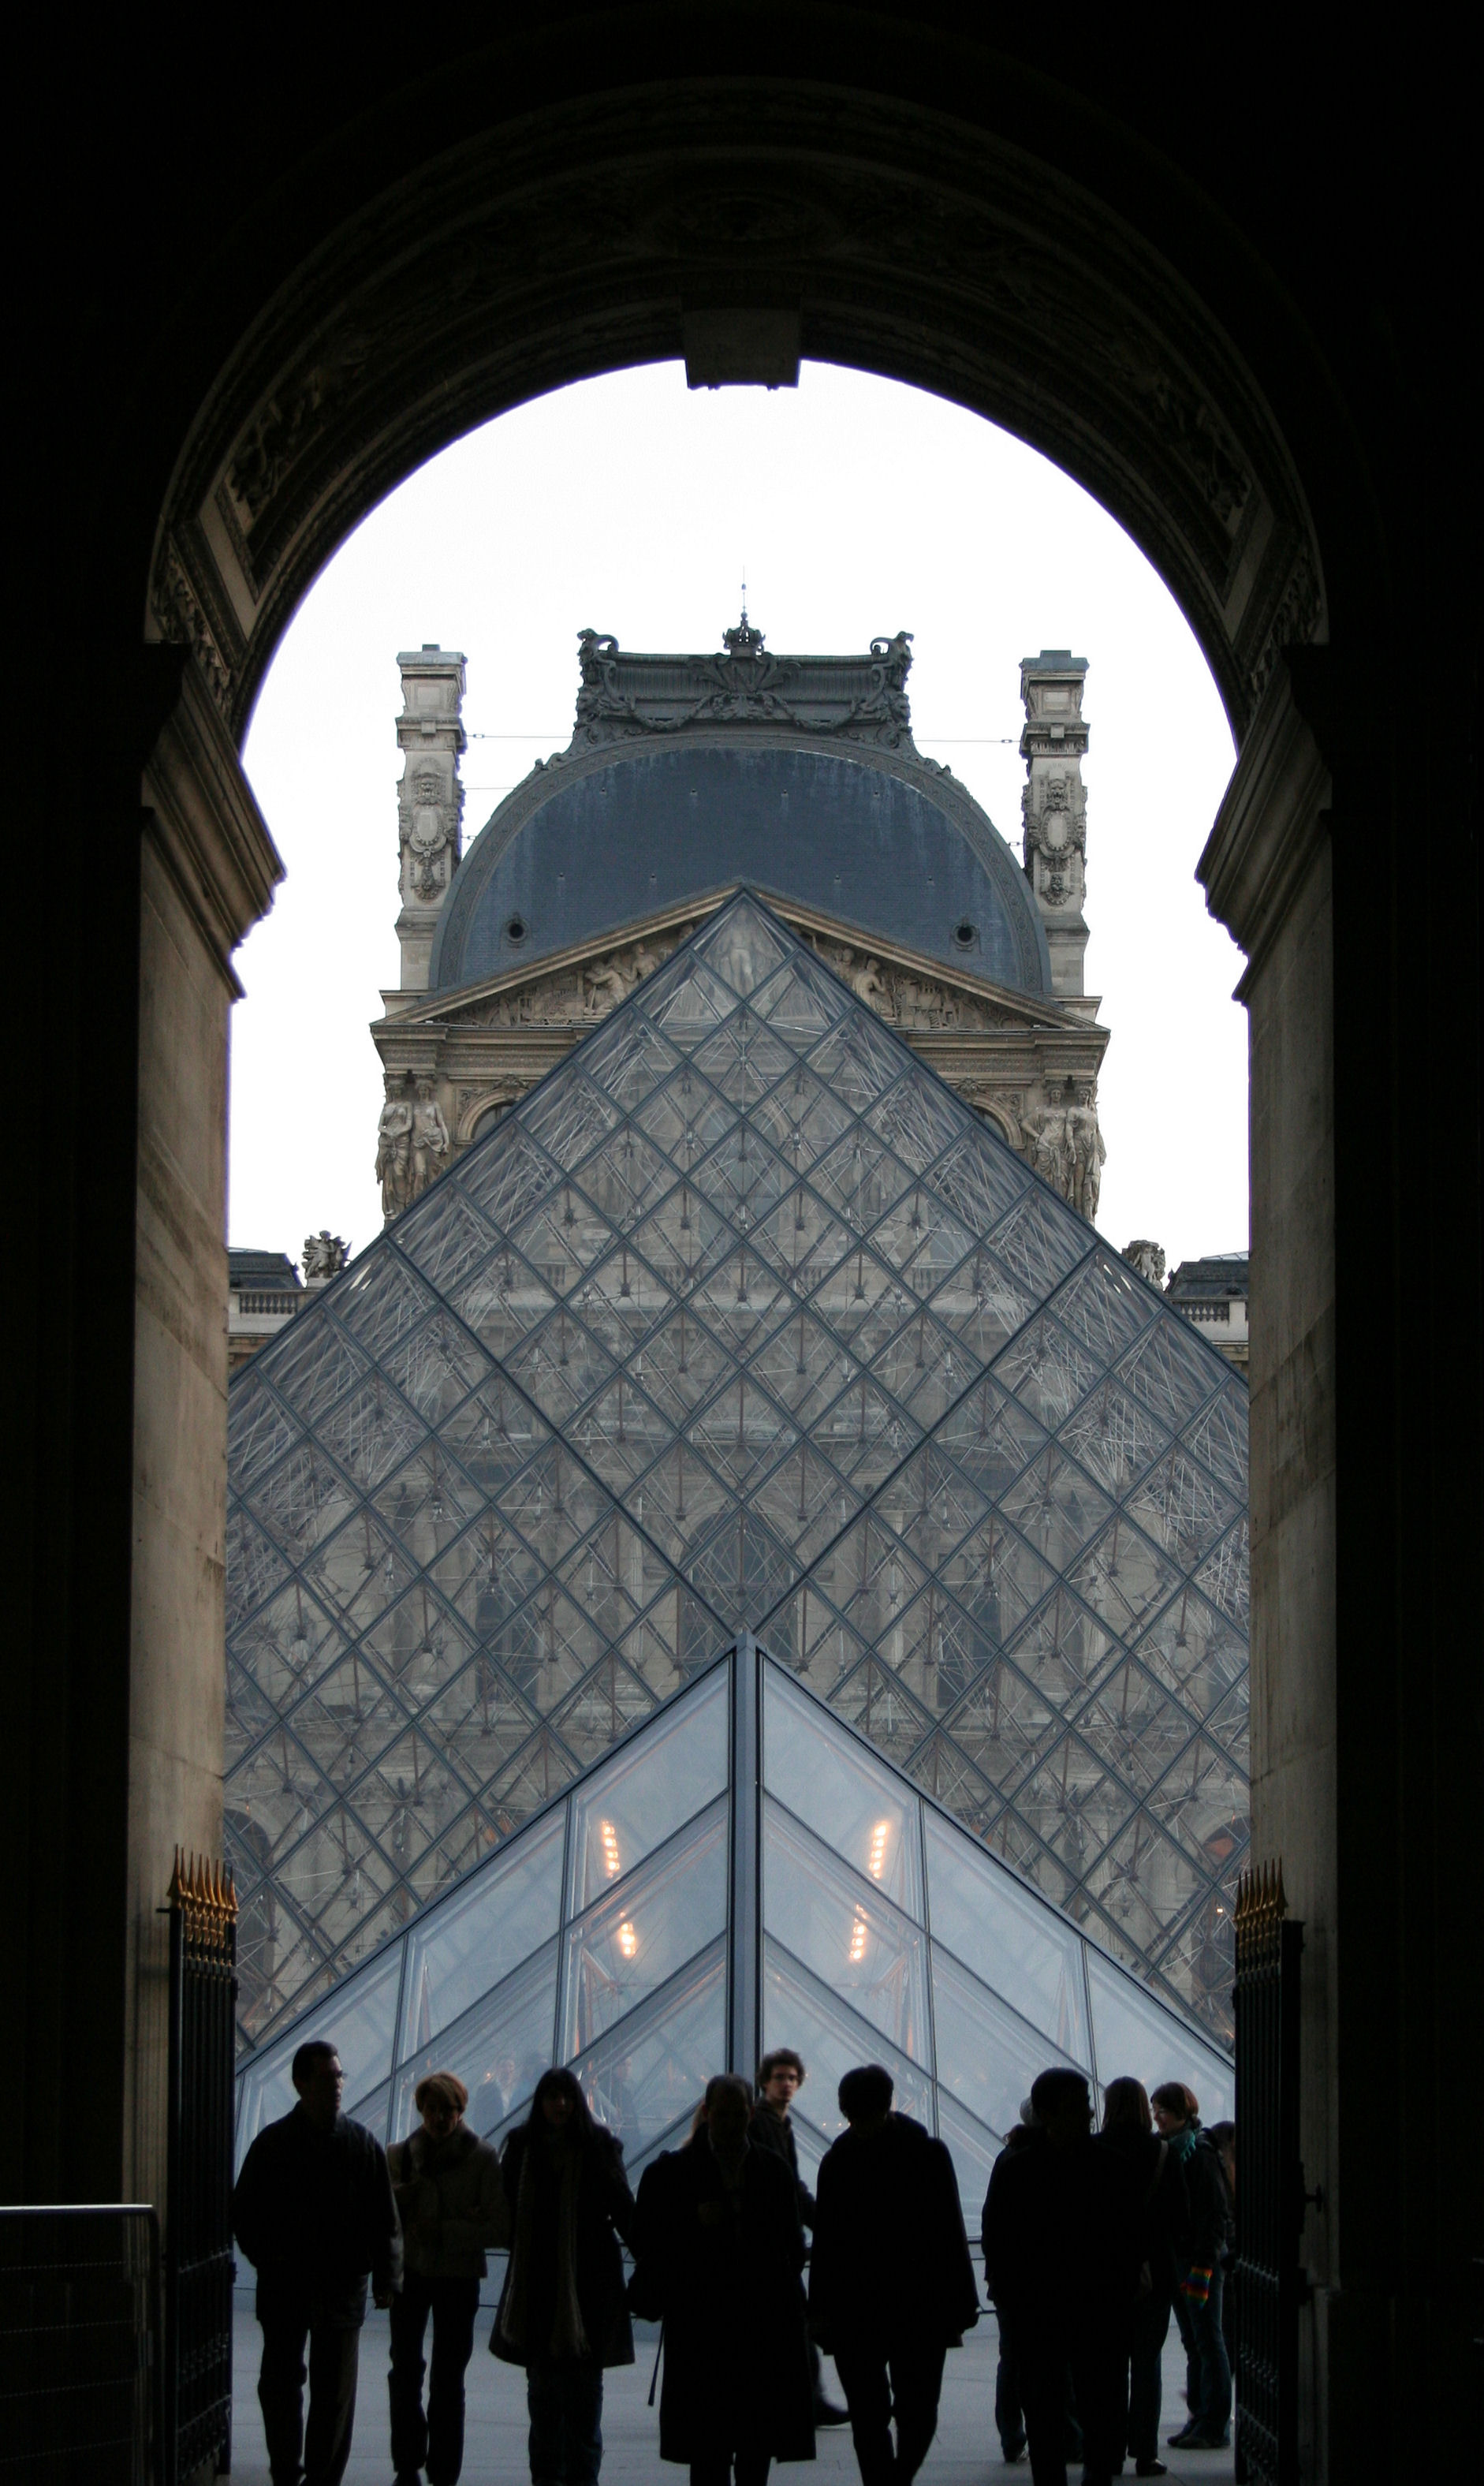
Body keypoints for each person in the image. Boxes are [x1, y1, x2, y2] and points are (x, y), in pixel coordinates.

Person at [630, 2070, 815, 2486]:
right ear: (709, 2113)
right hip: (746, 2325)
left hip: (707, 2326)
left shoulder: (673, 2173)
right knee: (741, 2448)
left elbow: (645, 2241)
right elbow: (794, 2249)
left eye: (736, 2115)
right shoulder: (773, 2171)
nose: (730, 2123)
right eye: (723, 2115)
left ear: (748, 2114)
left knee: (717, 2451)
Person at [231, 2038, 401, 2486]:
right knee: (300, 2388)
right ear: (301, 2083)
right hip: (313, 2284)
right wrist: (381, 2273)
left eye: (339, 2076)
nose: (338, 2085)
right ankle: (297, 2472)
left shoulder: (279, 2143)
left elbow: (385, 2220)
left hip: (314, 2284)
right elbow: (384, 2220)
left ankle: (307, 2475)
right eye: (328, 2077)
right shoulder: (354, 2143)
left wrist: (385, 2274)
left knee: (317, 2391)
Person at [808, 2063, 979, 2486]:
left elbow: (828, 2245)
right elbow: (949, 2233)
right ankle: (897, 2479)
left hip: (857, 2309)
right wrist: (961, 2301)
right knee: (916, 2411)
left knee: (874, 2417)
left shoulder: (837, 2161)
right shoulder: (927, 2153)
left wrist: (822, 2310)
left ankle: (887, 2482)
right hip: (916, 2306)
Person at [982, 2065, 1143, 2486]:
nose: (1089, 2114)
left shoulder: (1019, 2169)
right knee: (1082, 2405)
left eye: (1087, 2105)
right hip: (1082, 2308)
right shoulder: (1111, 2167)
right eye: (1079, 2106)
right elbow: (1129, 2238)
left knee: (1057, 2408)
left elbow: (997, 2237)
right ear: (1050, 2113)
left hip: (1050, 2309)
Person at [490, 2066, 636, 2486]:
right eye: (552, 2097)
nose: (560, 2104)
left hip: (580, 2295)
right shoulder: (525, 2149)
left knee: (579, 2409)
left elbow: (624, 2209)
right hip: (549, 2295)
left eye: (566, 2097)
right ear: (540, 2102)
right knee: (549, 2409)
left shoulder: (592, 2148)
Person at [386, 2070, 509, 2486]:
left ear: (460, 2111)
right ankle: (426, 2465)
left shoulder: (477, 2158)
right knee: (415, 2372)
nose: (439, 2118)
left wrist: (443, 2229)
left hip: (439, 2276)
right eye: (433, 2110)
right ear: (422, 2110)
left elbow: (499, 2227)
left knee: (439, 2376)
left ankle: (425, 2466)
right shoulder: (405, 2156)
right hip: (436, 2275)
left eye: (447, 2110)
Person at [1099, 2077, 1192, 2480]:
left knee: (1108, 2366)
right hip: (1153, 2274)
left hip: (1104, 2273)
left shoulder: (1095, 2151)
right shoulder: (1163, 2153)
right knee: (1146, 2364)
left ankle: (1108, 2447)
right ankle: (1145, 2452)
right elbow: (1181, 2220)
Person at [750, 2049, 848, 2427]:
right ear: (765, 2081)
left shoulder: (777, 2122)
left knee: (790, 2329)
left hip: (779, 2247)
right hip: (773, 2249)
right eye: (780, 2077)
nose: (787, 2084)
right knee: (795, 2327)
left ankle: (802, 2399)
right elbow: (785, 2185)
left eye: (792, 2078)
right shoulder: (763, 2123)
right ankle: (807, 2400)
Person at [1150, 2084, 1232, 2452]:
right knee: (1194, 2342)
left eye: (1162, 2110)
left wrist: (1203, 2264)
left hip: (1200, 2264)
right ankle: (1199, 2418)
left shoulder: (1198, 2154)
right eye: (1154, 2109)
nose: (1156, 2117)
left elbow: (1216, 2215)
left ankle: (1213, 2423)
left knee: (1208, 2340)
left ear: (1181, 2112)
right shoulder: (1173, 2152)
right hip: (1183, 2260)